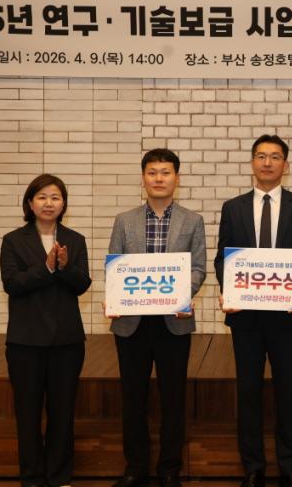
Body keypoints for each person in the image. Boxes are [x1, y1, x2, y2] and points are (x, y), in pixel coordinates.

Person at [214, 134, 292, 487]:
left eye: (275, 157)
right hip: (245, 317)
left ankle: (290, 469)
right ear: (252, 163)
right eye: (261, 156)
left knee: (288, 392)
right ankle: (253, 468)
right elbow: (222, 258)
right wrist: (229, 289)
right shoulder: (233, 207)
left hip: (288, 317)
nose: (267, 162)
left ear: (285, 165)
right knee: (248, 392)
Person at [108, 148, 207, 487]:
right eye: (152, 173)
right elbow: (115, 266)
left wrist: (181, 293)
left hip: (173, 321)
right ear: (143, 178)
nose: (159, 178)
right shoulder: (124, 220)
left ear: (177, 178)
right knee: (133, 397)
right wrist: (115, 295)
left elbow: (198, 267)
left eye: (165, 172)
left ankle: (169, 468)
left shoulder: (192, 220)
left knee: (173, 397)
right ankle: (135, 467)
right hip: (131, 322)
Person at [1, 174, 92, 487]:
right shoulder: (13, 240)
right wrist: (48, 267)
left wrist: (65, 267)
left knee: (62, 414)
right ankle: (31, 478)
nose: (48, 203)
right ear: (30, 203)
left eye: (55, 197)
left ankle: (59, 477)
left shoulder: (75, 240)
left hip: (66, 342)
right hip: (25, 342)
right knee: (27, 415)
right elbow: (12, 284)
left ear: (63, 203)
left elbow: (82, 285)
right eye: (41, 197)